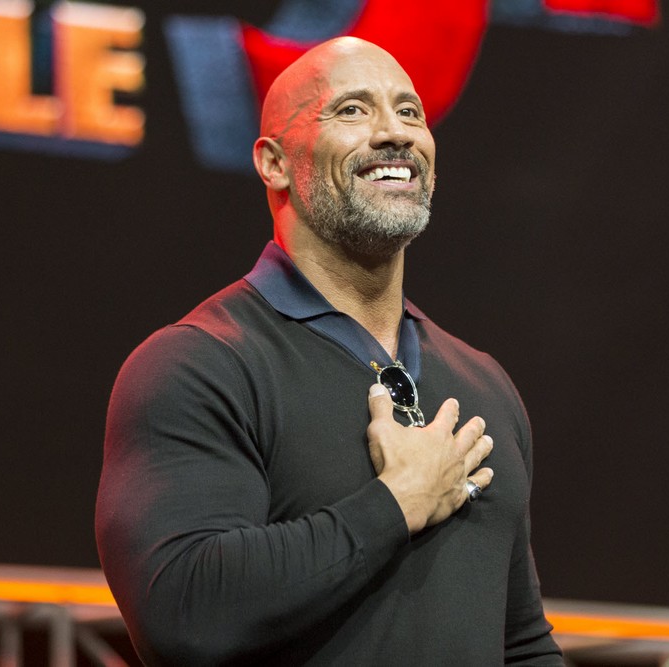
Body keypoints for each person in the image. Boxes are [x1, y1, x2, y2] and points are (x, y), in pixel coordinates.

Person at [96, 36, 561, 666]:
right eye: (352, 110)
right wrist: (396, 504)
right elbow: (184, 613)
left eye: (410, 111)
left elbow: (522, 644)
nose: (394, 133)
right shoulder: (198, 366)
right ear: (274, 163)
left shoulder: (484, 384)